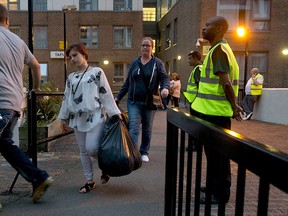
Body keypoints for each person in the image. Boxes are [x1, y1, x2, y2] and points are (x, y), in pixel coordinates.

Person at [0, 4, 53, 204]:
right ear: (7, 20)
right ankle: (39, 178)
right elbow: (36, 66)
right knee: (5, 144)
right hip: (14, 103)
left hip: (0, 103)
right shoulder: (18, 41)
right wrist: (34, 89)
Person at [191, 16, 243, 204]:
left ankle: (220, 194)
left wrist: (234, 107)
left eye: (207, 25)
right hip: (213, 113)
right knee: (212, 155)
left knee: (218, 157)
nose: (203, 28)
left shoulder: (220, 50)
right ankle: (214, 186)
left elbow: (226, 83)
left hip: (217, 114)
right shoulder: (216, 49)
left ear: (219, 28)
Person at [57, 43, 121, 193]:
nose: (72, 59)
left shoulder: (97, 72)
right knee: (83, 151)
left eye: (75, 55)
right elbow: (66, 98)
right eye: (70, 57)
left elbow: (106, 93)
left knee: (92, 148)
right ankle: (89, 181)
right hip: (77, 118)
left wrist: (114, 113)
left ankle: (106, 168)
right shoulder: (71, 77)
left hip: (96, 116)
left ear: (84, 55)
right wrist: (62, 118)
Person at [115, 37, 170, 163]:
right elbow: (128, 82)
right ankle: (133, 154)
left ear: (152, 48)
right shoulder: (134, 63)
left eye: (148, 45)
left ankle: (144, 152)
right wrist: (118, 97)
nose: (145, 48)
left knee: (146, 128)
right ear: (140, 47)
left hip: (150, 103)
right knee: (133, 127)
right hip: (134, 102)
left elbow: (165, 78)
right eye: (143, 45)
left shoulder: (157, 63)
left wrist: (165, 88)